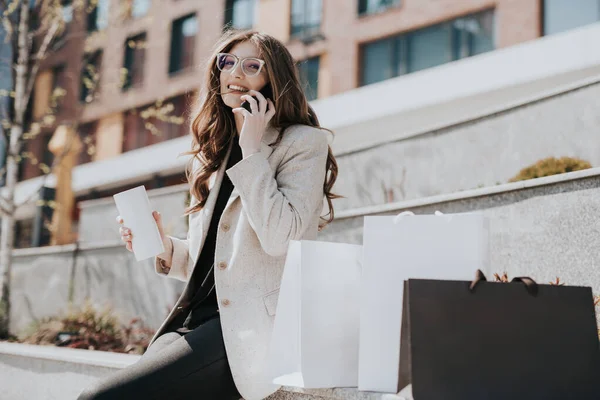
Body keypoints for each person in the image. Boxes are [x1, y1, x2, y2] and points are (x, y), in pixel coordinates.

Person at [78, 29, 339, 400]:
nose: (235, 72)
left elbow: (281, 239)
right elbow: (217, 262)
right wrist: (164, 246)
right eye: (227, 62)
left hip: (246, 329)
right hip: (192, 318)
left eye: (252, 66)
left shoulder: (301, 143)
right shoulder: (214, 152)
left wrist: (252, 151)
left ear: (272, 79)